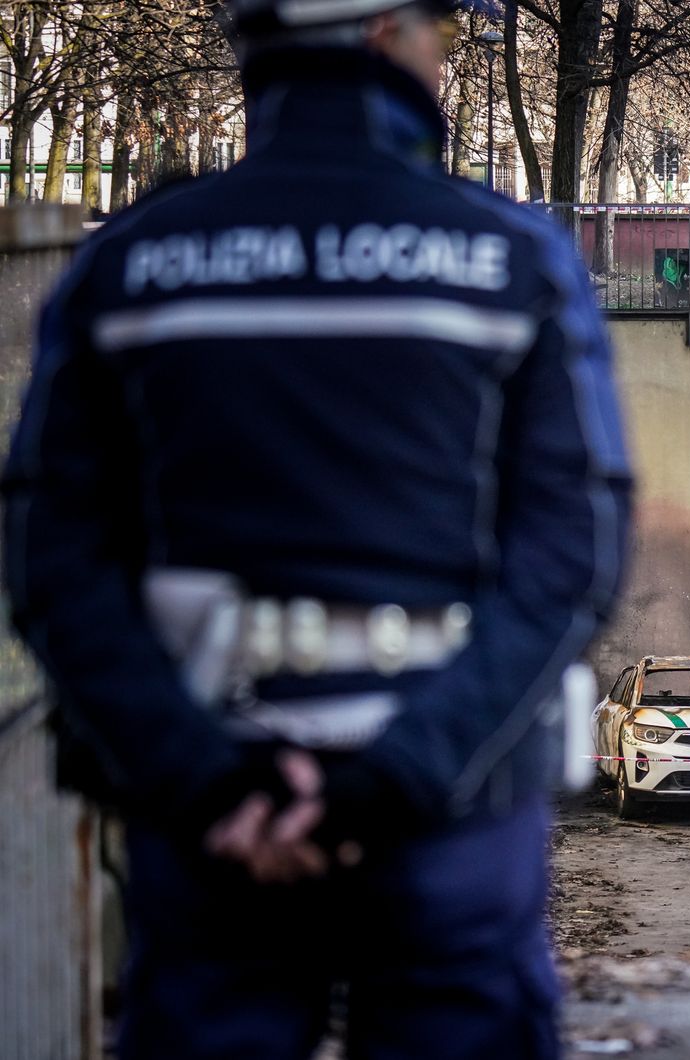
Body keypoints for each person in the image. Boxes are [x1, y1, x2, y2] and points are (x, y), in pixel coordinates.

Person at [1, 1, 633, 1057]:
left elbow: (53, 564)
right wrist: (397, 774)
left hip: (216, 830)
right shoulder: (508, 258)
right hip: (449, 817)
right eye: (443, 30)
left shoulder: (132, 264)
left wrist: (207, 775)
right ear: (387, 36)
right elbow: (573, 560)